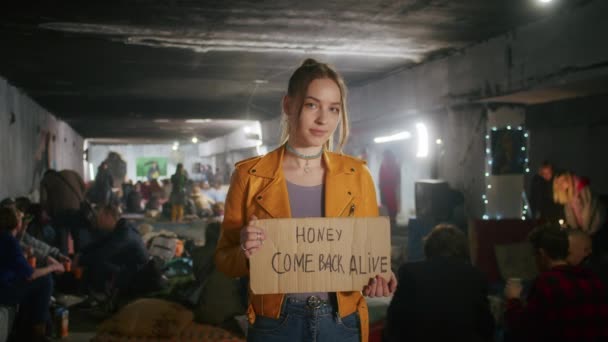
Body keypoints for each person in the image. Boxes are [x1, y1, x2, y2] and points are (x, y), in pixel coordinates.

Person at [214, 59, 396, 342]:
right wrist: (245, 252)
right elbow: (225, 260)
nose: (324, 119)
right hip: (275, 322)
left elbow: (369, 256)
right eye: (313, 105)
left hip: (341, 321)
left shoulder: (357, 174)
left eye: (333, 109)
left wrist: (380, 276)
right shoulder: (249, 176)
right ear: (288, 105)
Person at [384, 224, 494, 342]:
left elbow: (393, 321)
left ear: (428, 247)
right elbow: (486, 326)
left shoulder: (410, 272)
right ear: (463, 249)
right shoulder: (476, 276)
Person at [504, 225, 608, 341]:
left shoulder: (547, 282)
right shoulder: (594, 280)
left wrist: (513, 299)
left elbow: (525, 330)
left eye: (534, 255)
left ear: (542, 254)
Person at [0, 206, 65, 341]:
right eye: (21, 219)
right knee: (44, 281)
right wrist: (53, 267)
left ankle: (27, 328)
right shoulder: (9, 241)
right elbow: (30, 274)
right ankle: (38, 333)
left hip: (5, 284)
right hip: (4, 291)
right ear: (16, 223)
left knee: (35, 285)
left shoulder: (5, 238)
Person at [75, 205, 148, 303]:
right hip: (128, 267)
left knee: (98, 262)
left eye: (100, 218)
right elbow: (100, 243)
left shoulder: (124, 234)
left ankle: (95, 296)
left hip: (136, 274)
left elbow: (102, 254)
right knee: (94, 258)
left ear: (108, 216)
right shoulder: (121, 227)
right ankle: (88, 295)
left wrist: (80, 260)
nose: (98, 221)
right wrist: (81, 253)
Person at [40, 169, 87, 255]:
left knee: (62, 241)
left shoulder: (45, 179)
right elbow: (84, 187)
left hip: (60, 212)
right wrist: (79, 200)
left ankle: (64, 262)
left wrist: (50, 211)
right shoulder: (72, 173)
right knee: (77, 238)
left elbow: (43, 200)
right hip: (76, 210)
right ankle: (79, 262)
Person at [378, 149, 400, 227]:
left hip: (390, 191)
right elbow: (381, 182)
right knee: (386, 208)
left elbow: (396, 179)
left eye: (385, 157)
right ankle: (389, 222)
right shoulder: (383, 166)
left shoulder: (394, 166)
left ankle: (392, 221)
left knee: (391, 208)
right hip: (385, 192)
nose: (384, 158)